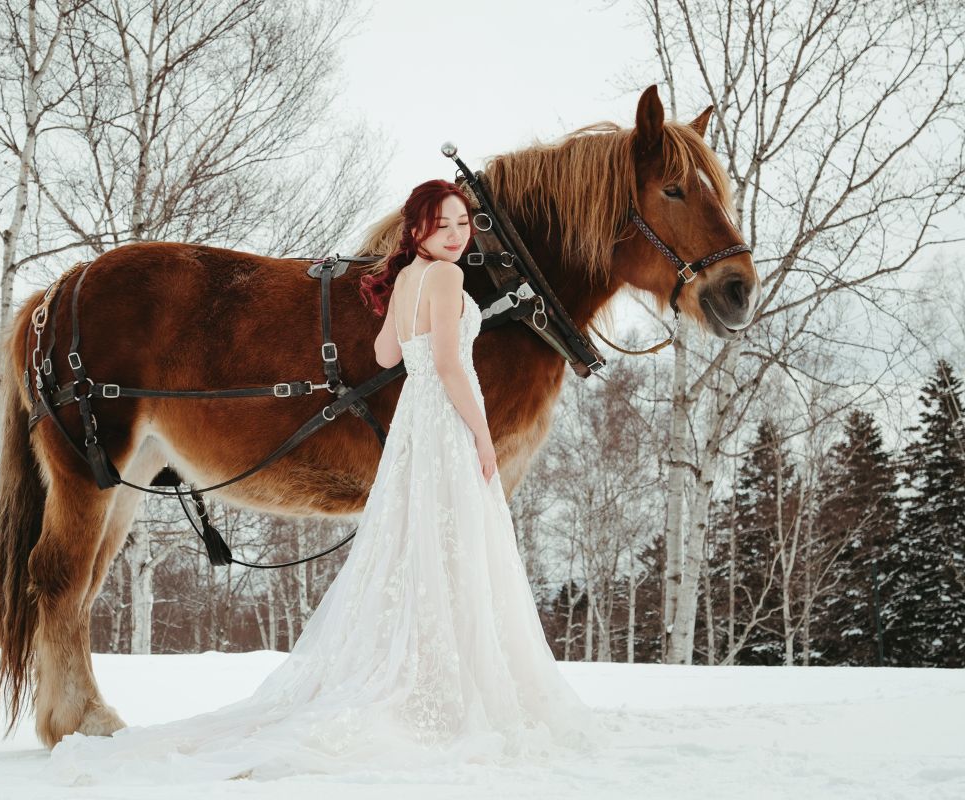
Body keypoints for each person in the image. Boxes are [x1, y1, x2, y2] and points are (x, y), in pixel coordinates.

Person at [48, 179, 608, 785]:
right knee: (448, 547)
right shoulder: (448, 279)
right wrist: (479, 431)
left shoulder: (406, 280)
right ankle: (445, 682)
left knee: (410, 544)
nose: (457, 234)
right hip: (443, 418)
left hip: (413, 418)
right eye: (443, 224)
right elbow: (449, 364)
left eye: (463, 224)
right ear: (416, 229)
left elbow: (389, 354)